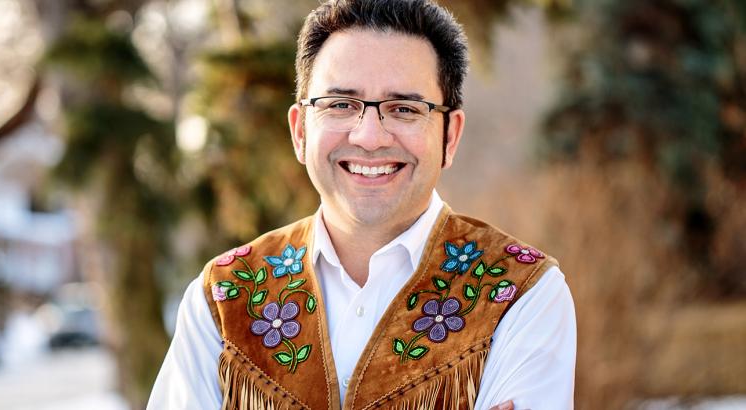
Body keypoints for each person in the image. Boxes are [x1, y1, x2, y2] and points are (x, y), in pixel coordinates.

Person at [147, 0, 576, 408]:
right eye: (341, 105)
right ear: (300, 131)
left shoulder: (521, 294)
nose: (369, 136)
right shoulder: (223, 298)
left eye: (405, 108)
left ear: (450, 136)